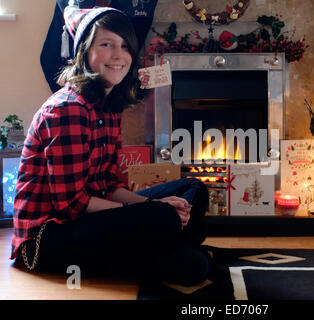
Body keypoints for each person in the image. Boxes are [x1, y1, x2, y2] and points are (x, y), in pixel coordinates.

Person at [11, 6, 211, 287]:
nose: (120, 56)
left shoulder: (108, 106)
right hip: (49, 237)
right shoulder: (68, 109)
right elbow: (71, 205)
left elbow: (110, 185)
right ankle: (166, 242)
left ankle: (160, 239)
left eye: (125, 46)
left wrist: (154, 205)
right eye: (107, 44)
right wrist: (154, 208)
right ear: (84, 52)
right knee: (192, 262)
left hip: (87, 219)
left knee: (195, 190)